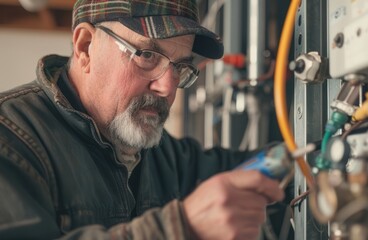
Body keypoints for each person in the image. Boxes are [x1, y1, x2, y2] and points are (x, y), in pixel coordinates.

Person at [0, 0, 285, 239]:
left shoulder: (156, 153)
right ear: (85, 46)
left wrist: (303, 156)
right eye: (147, 55)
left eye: (180, 67)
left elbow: (243, 170)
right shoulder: (10, 139)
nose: (168, 87)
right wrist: (179, 227)